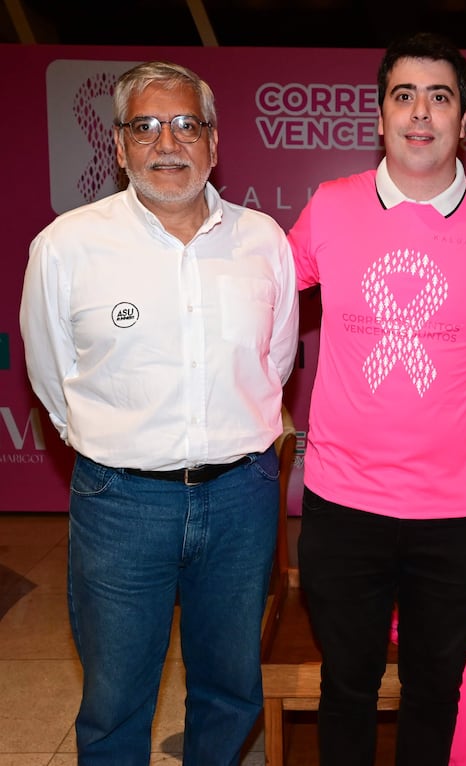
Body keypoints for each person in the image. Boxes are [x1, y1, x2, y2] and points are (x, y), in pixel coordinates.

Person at [19, 61, 298, 765]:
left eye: (185, 125)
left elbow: (277, 361)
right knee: (115, 700)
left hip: (241, 496)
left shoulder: (264, 242)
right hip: (120, 502)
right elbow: (53, 380)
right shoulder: (65, 248)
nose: (166, 143)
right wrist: (116, 446)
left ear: (212, 142)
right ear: (118, 147)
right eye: (145, 127)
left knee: (231, 689)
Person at [287, 31, 466, 766]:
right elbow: (254, 305)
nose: (420, 113)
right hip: (342, 504)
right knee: (348, 688)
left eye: (439, 96)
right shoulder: (329, 207)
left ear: (464, 117)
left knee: (436, 692)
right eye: (404, 96)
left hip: (455, 515)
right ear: (380, 115)